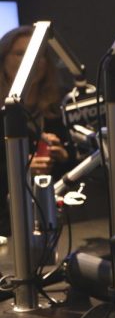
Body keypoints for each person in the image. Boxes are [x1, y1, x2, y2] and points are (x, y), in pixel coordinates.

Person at [0, 25, 73, 235]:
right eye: (20, 53)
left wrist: (64, 158)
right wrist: (22, 169)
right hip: (7, 227)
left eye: (37, 55)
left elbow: (78, 169)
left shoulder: (61, 106)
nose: (30, 60)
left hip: (54, 220)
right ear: (3, 59)